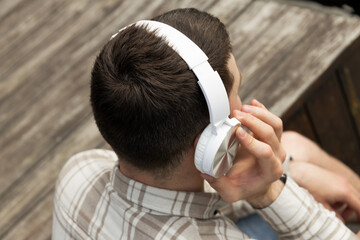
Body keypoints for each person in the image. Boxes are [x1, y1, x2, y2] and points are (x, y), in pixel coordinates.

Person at [52, 8, 360, 239]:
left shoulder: (79, 170)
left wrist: (290, 174)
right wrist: (268, 193)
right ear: (214, 141)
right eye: (237, 90)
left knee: (293, 146)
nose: (243, 103)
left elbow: (183, 198)